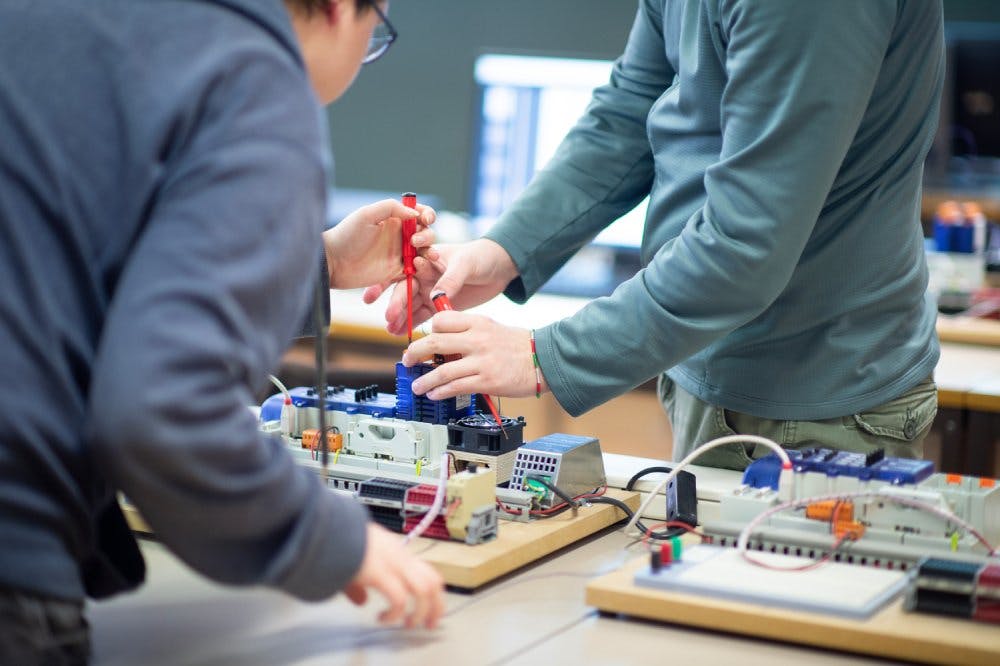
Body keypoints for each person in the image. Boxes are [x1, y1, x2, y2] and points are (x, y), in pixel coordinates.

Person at [0, 0, 445, 662]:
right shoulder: (256, 85)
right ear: (337, 8)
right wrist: (332, 538)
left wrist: (315, 262)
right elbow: (161, 415)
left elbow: (78, 253)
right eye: (376, 29)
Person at [386, 1, 944, 470]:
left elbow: (747, 243)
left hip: (818, 396)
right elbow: (633, 107)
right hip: (709, 362)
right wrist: (504, 251)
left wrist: (542, 356)